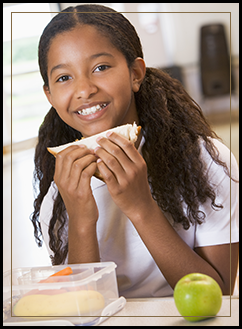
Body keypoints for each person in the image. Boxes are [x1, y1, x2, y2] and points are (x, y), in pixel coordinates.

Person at [31, 4, 239, 298]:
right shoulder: (59, 193)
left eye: (101, 67)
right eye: (64, 77)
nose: (84, 89)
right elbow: (81, 309)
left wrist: (142, 208)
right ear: (50, 95)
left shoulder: (205, 162)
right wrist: (80, 219)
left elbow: (218, 295)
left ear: (136, 73)